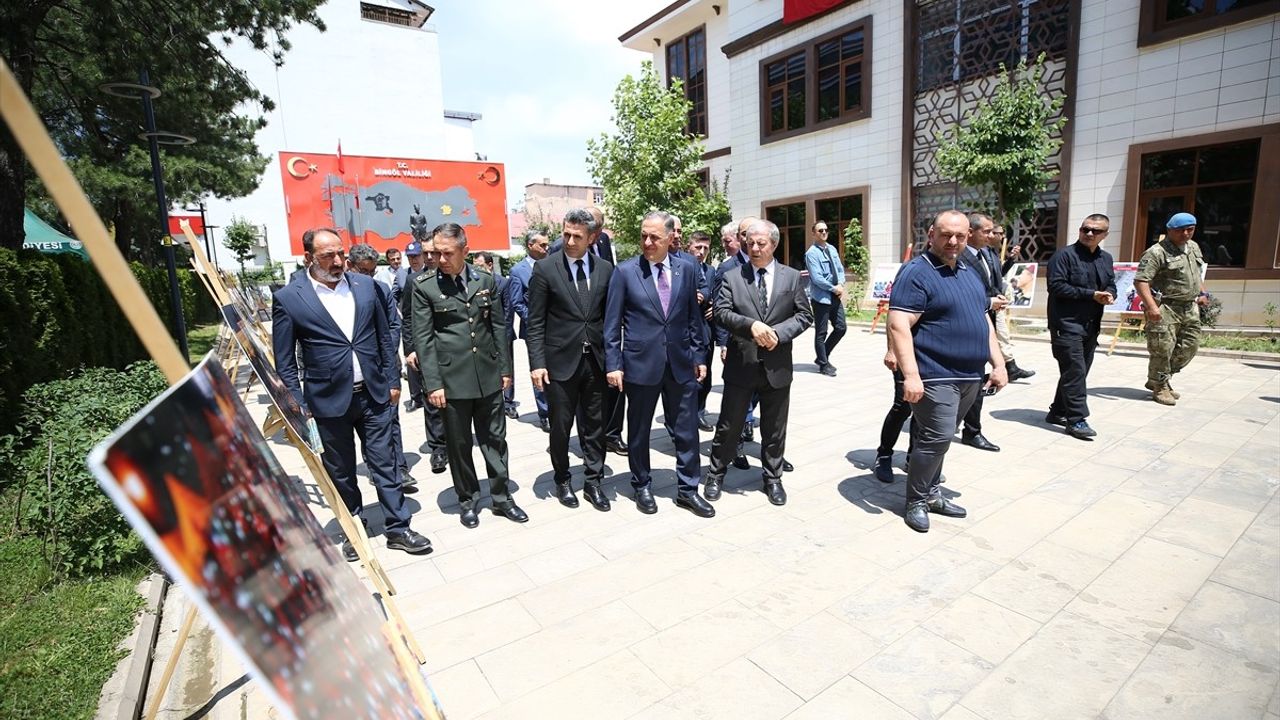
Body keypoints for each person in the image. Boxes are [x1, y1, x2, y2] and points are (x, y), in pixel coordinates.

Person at [272, 228, 432, 557]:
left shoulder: (365, 286)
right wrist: (297, 404)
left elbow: (384, 337)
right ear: (308, 258)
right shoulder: (289, 298)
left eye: (340, 253)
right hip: (327, 402)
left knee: (386, 463)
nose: (337, 261)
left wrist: (393, 381)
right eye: (327, 256)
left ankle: (398, 527)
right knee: (341, 471)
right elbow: (284, 361)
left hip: (374, 394)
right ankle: (354, 529)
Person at [888, 210, 1007, 533]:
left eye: (960, 236)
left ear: (968, 237)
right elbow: (899, 323)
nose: (953, 241)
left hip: (970, 374)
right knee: (936, 436)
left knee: (942, 437)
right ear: (931, 235)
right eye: (946, 235)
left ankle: (931, 494)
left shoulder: (970, 271)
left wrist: (998, 364)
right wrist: (911, 375)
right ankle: (916, 501)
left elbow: (983, 320)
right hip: (935, 372)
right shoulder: (917, 272)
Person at [411, 223, 528, 528]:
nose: (440, 259)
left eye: (447, 253)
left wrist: (505, 369)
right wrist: (433, 384)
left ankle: (502, 498)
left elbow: (498, 327)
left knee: (495, 439)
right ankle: (467, 499)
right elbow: (423, 339)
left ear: (465, 250)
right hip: (451, 381)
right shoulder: (425, 286)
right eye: (436, 252)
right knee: (459, 444)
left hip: (488, 375)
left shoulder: (485, 280)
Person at [604, 211, 713, 518]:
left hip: (680, 363)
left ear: (670, 238)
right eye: (644, 236)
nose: (648, 242)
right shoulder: (625, 272)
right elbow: (611, 324)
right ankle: (641, 485)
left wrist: (699, 356)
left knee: (687, 429)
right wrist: (613, 364)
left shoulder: (686, 269)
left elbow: (693, 317)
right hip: (640, 364)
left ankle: (688, 490)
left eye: (655, 237)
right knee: (639, 430)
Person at [703, 220, 812, 506]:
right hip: (742, 364)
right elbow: (722, 313)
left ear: (773, 244)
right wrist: (750, 326)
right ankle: (715, 474)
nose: (754, 248)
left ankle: (773, 478)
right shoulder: (732, 276)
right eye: (750, 243)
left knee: (775, 428)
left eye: (760, 243)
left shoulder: (791, 277)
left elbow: (804, 315)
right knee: (729, 425)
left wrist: (778, 333)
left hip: (777, 366)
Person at [526, 208, 614, 511]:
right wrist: (537, 363)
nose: (570, 241)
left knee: (596, 425)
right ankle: (562, 479)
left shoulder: (605, 269)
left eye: (577, 236)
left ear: (592, 238)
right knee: (561, 427)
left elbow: (610, 319)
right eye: (566, 234)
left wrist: (615, 361)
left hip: (596, 362)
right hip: (559, 363)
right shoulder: (546, 269)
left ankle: (594, 481)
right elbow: (535, 322)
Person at [347, 243, 417, 490]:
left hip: (384, 366)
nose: (368, 277)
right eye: (363, 271)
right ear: (350, 266)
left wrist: (387, 352)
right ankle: (375, 467)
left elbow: (393, 325)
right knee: (367, 423)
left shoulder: (382, 289)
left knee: (390, 418)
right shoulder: (341, 295)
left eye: (372, 271)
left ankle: (399, 467)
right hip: (356, 371)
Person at [1046, 214, 1117, 439]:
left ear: (1105, 235)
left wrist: (1110, 294)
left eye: (1095, 231)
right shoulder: (1064, 256)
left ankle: (1058, 411)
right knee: (1075, 371)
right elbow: (1056, 286)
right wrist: (1091, 294)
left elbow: (1111, 283)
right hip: (1066, 324)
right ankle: (1076, 419)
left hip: (1091, 325)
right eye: (1085, 229)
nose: (1089, 234)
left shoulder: (1106, 259)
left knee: (1077, 371)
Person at [1135, 212, 1209, 406]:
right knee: (1162, 349)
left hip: (1189, 307)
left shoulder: (1193, 247)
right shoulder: (1156, 252)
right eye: (1180, 230)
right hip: (1166, 307)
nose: (1185, 234)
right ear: (1169, 230)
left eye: (1190, 229)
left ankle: (1160, 379)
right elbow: (1141, 281)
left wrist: (1203, 293)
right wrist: (1152, 307)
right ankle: (1160, 386)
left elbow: (1196, 273)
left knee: (1190, 347)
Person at [956, 213, 1008, 453]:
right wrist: (988, 302)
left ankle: (971, 430)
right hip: (964, 327)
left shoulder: (987, 253)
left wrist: (997, 298)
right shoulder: (958, 256)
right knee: (969, 381)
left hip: (986, 322)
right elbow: (961, 292)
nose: (991, 235)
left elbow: (991, 284)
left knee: (977, 380)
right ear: (971, 232)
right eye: (986, 231)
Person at [398, 240, 448, 474]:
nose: (428, 257)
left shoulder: (454, 276)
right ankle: (438, 447)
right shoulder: (414, 280)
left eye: (433, 253)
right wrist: (410, 349)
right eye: (425, 253)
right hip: (427, 349)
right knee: (431, 399)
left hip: (454, 350)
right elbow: (407, 317)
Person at [505, 231, 551, 431]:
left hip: (557, 328)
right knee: (538, 370)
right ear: (530, 245)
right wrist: (535, 321)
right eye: (542, 245)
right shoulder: (518, 271)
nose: (546, 249)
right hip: (534, 331)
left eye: (547, 245)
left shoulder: (552, 265)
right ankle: (545, 413)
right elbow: (517, 302)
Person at [805, 220, 847, 377]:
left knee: (841, 328)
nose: (824, 232)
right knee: (821, 332)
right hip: (821, 298)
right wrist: (834, 288)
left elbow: (840, 269)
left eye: (826, 230)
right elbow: (817, 278)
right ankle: (823, 364)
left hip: (835, 296)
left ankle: (822, 355)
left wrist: (841, 284)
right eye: (820, 230)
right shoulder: (811, 254)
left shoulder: (832, 249)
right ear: (813, 233)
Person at [688, 231, 717, 431]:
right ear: (688, 247)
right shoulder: (681, 266)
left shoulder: (710, 271)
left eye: (706, 248)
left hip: (706, 330)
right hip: (686, 332)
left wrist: (715, 306)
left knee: (706, 375)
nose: (702, 251)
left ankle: (700, 411)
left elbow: (716, 294)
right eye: (698, 247)